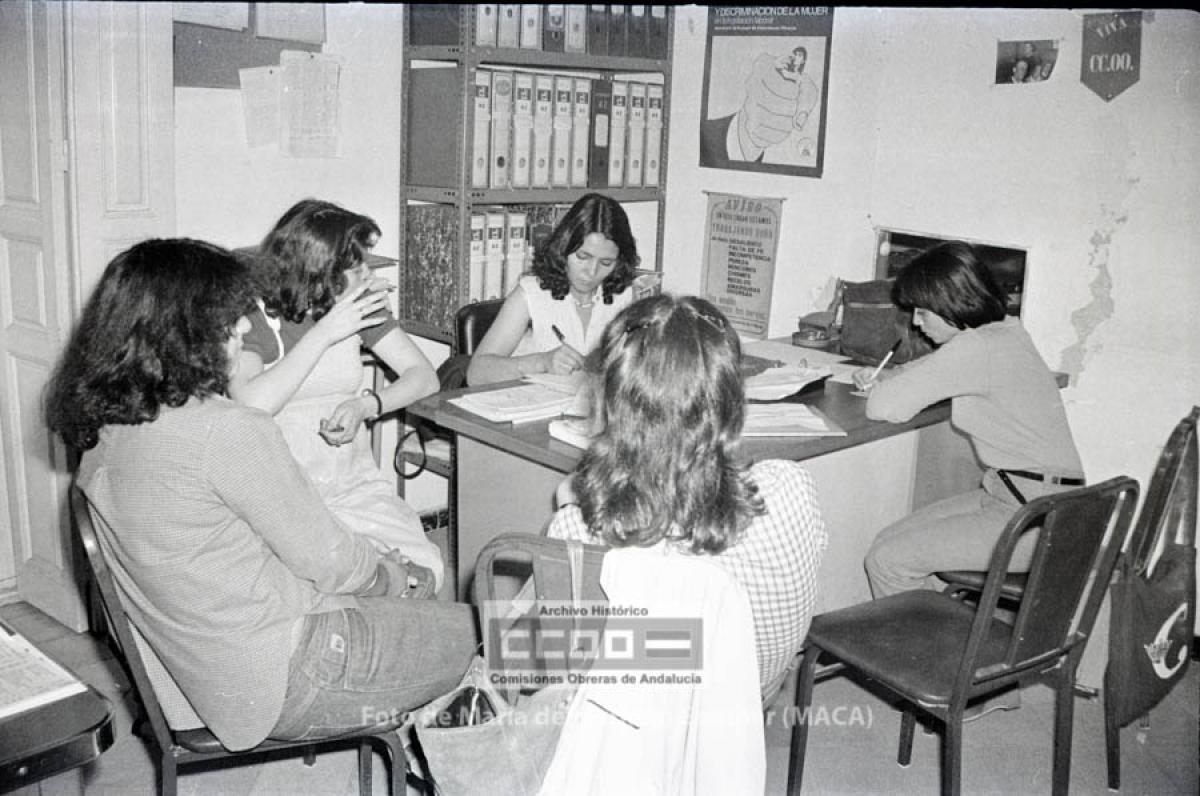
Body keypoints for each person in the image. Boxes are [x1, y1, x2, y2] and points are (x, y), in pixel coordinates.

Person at [44, 239, 476, 751]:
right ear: (184, 334)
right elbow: (335, 563)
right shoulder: (225, 431)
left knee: (415, 610)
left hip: (193, 681)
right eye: (231, 320)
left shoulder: (106, 433)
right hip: (290, 675)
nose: (245, 328)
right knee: (491, 634)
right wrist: (398, 576)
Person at [546, 294, 828, 696]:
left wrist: (571, 503)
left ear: (613, 403)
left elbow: (568, 655)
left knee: (510, 648)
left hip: (643, 720)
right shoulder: (790, 487)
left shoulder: (584, 528)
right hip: (750, 706)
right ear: (731, 399)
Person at [230, 199, 444, 590]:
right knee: (337, 583)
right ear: (318, 273)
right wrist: (326, 331)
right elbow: (251, 405)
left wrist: (367, 405)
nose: (368, 274)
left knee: (424, 572)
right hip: (286, 493)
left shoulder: (357, 305)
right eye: (357, 267)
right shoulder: (255, 315)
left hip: (351, 481)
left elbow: (424, 378)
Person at [853, 241, 1084, 599]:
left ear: (951, 305)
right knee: (889, 543)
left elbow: (884, 407)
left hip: (1034, 514)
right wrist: (890, 376)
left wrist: (884, 385)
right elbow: (933, 368)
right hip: (1036, 500)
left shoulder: (975, 348)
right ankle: (940, 626)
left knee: (887, 560)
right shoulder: (1004, 332)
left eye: (922, 312)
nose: (916, 322)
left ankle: (928, 635)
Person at [466, 193, 639, 386]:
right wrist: (542, 362)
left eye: (606, 263)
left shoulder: (625, 298)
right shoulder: (531, 294)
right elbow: (476, 374)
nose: (591, 272)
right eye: (583, 257)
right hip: (532, 401)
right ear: (564, 247)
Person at [700, 46, 820, 168]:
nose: (796, 58)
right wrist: (768, 68)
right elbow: (767, 66)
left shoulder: (802, 81)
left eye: (799, 56)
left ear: (803, 60)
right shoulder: (702, 137)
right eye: (795, 54)